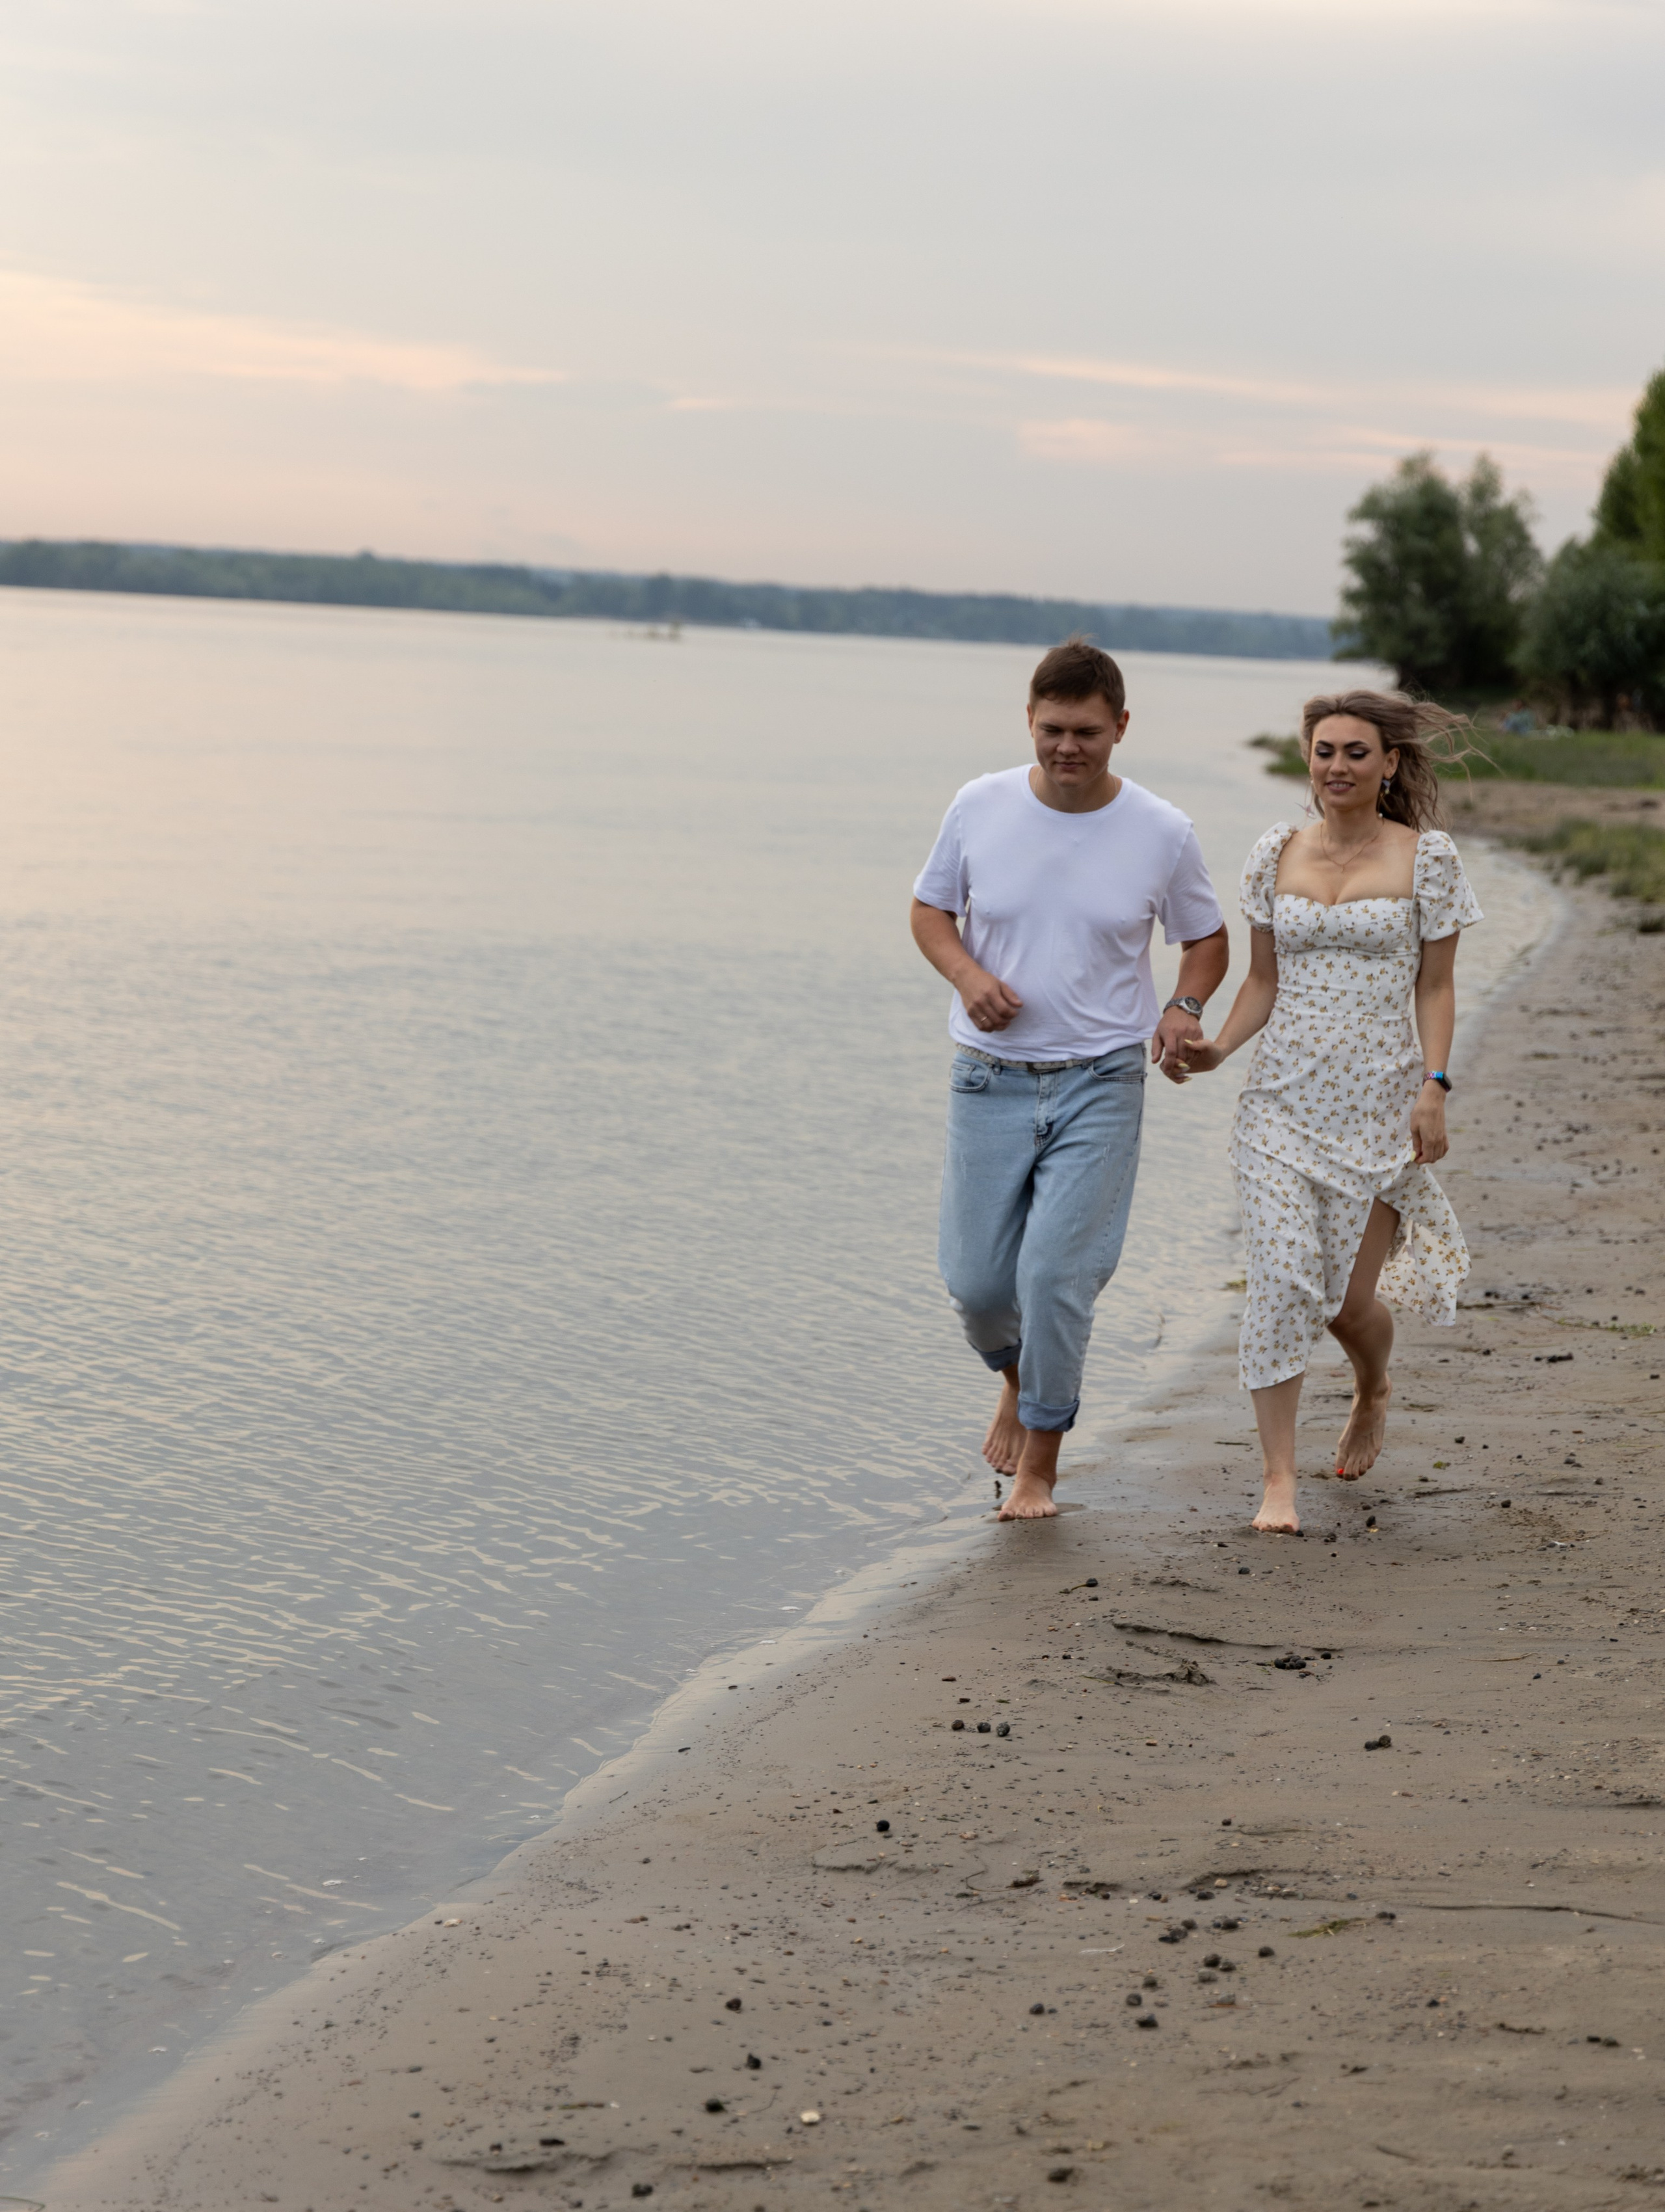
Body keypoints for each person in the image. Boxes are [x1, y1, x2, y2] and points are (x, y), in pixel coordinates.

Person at [910, 638, 1230, 1520]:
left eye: (1087, 731)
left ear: (1121, 727)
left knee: (1055, 1273)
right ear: (1029, 719)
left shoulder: (1162, 830)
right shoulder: (979, 806)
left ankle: (1041, 1470)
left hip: (1100, 1080)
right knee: (977, 1287)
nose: (1067, 748)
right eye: (1052, 729)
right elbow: (929, 911)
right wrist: (969, 978)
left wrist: (1185, 1008)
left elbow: (1206, 937)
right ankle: (1018, 1379)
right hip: (989, 1080)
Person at [1179, 690, 1483, 1533]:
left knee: (1348, 1304)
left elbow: (1436, 984)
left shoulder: (1428, 860)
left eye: (1356, 751)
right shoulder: (1276, 852)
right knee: (1282, 1278)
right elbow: (1263, 982)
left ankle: (1373, 1383)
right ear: (1306, 759)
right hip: (1279, 1104)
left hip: (1380, 1105)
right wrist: (1216, 1048)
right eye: (1324, 751)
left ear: (1390, 763)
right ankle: (1279, 1480)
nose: (1338, 766)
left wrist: (1435, 1086)